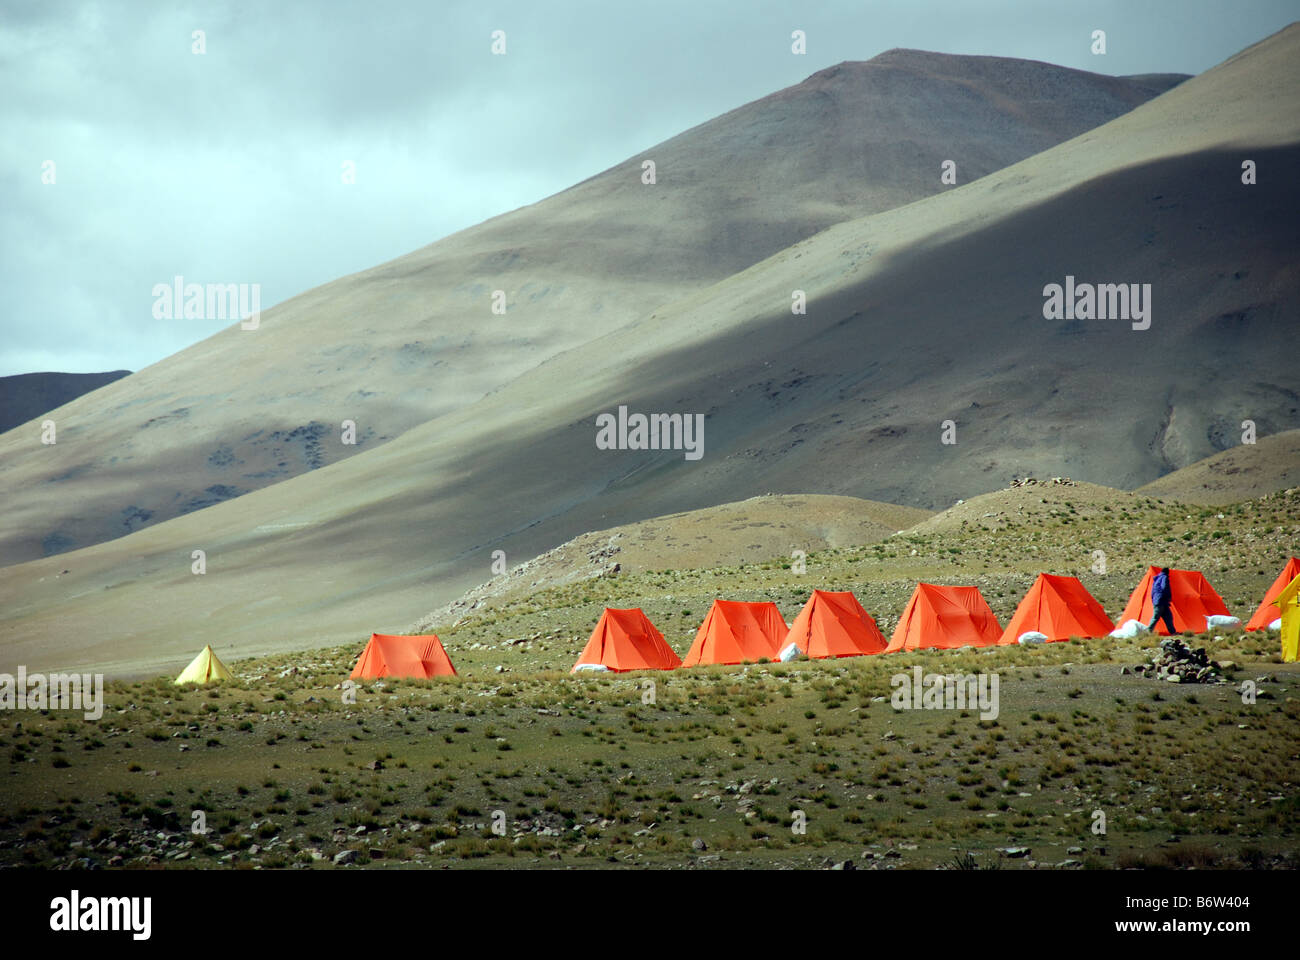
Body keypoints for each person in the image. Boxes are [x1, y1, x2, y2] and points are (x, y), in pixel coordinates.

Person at [1146, 566, 1175, 633]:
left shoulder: (1157, 579)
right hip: (1161, 601)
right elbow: (1165, 587)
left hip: (1159, 601)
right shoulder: (1164, 577)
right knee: (1157, 617)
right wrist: (1168, 597)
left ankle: (1172, 632)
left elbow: (1153, 592)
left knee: (1168, 617)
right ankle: (1148, 631)